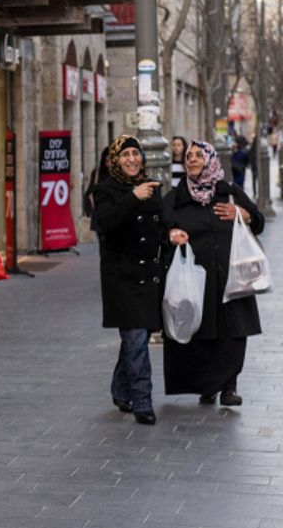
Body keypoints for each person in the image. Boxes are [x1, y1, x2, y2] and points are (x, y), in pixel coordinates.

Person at [164, 140, 264, 406]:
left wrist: (244, 214)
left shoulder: (229, 192)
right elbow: (162, 226)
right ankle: (207, 386)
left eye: (199, 155)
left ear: (210, 160)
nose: (193, 160)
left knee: (233, 333)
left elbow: (259, 221)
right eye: (189, 156)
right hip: (197, 279)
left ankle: (229, 387)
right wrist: (172, 233)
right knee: (202, 332)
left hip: (233, 277)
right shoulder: (176, 197)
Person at [90, 135, 163, 426]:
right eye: (125, 155)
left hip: (148, 276)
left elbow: (161, 221)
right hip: (121, 277)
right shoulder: (105, 190)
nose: (132, 159)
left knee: (138, 338)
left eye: (136, 153)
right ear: (115, 160)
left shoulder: (152, 186)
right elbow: (107, 223)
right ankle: (142, 401)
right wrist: (134, 197)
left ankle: (121, 389)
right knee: (135, 338)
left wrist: (173, 233)